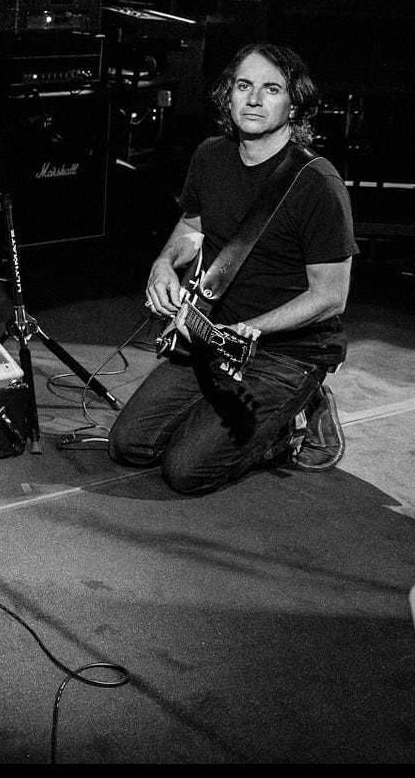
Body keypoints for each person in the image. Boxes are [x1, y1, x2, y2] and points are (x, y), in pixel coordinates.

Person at [111, 41, 356, 494]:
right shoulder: (210, 156)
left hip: (286, 352)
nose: (255, 99)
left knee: (185, 472)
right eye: (244, 86)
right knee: (130, 445)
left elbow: (330, 296)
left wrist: (253, 329)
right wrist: (164, 263)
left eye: (271, 88)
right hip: (213, 338)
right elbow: (192, 226)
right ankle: (247, 417)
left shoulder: (318, 185)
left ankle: (296, 416)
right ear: (228, 95)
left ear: (294, 102)